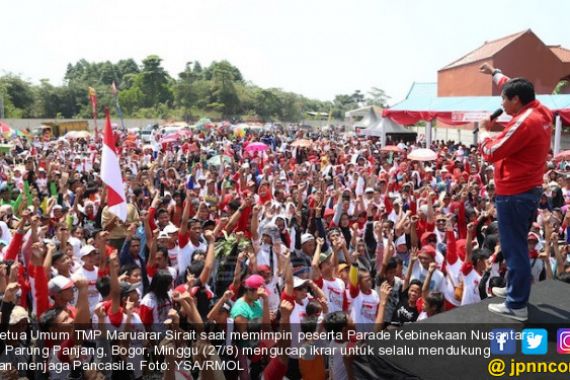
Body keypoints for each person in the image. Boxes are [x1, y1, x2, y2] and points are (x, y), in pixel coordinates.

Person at [479, 62, 552, 321]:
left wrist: (482, 132)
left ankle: (516, 304)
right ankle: (514, 291)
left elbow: (491, 153)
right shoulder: (539, 109)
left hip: (515, 193)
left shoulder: (524, 122)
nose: (502, 104)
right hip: (527, 189)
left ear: (516, 101)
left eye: (504, 100)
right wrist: (495, 73)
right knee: (516, 244)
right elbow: (510, 84)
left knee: (514, 248)